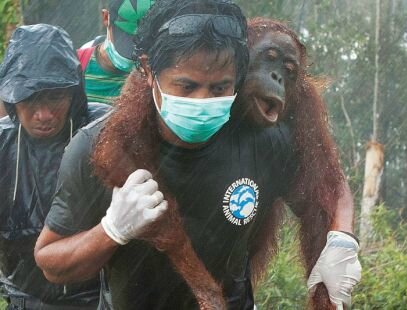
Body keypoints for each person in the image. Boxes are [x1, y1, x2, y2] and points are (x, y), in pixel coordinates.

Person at [34, 0, 361, 309]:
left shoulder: (266, 141)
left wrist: (340, 241)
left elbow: (327, 187)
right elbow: (51, 262)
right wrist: (111, 231)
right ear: (148, 73)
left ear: (239, 74)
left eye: (219, 88)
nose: (203, 100)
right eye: (187, 87)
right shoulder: (103, 144)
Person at [0, 24, 110, 309]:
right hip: (25, 297)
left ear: (74, 94)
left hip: (98, 298)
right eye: (30, 101)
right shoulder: (2, 143)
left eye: (55, 98)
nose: (44, 115)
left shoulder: (105, 132)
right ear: (12, 100)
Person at [77, 0, 155, 104]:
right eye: (127, 39)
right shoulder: (76, 63)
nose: (134, 55)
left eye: (144, 43)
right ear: (106, 18)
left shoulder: (156, 75)